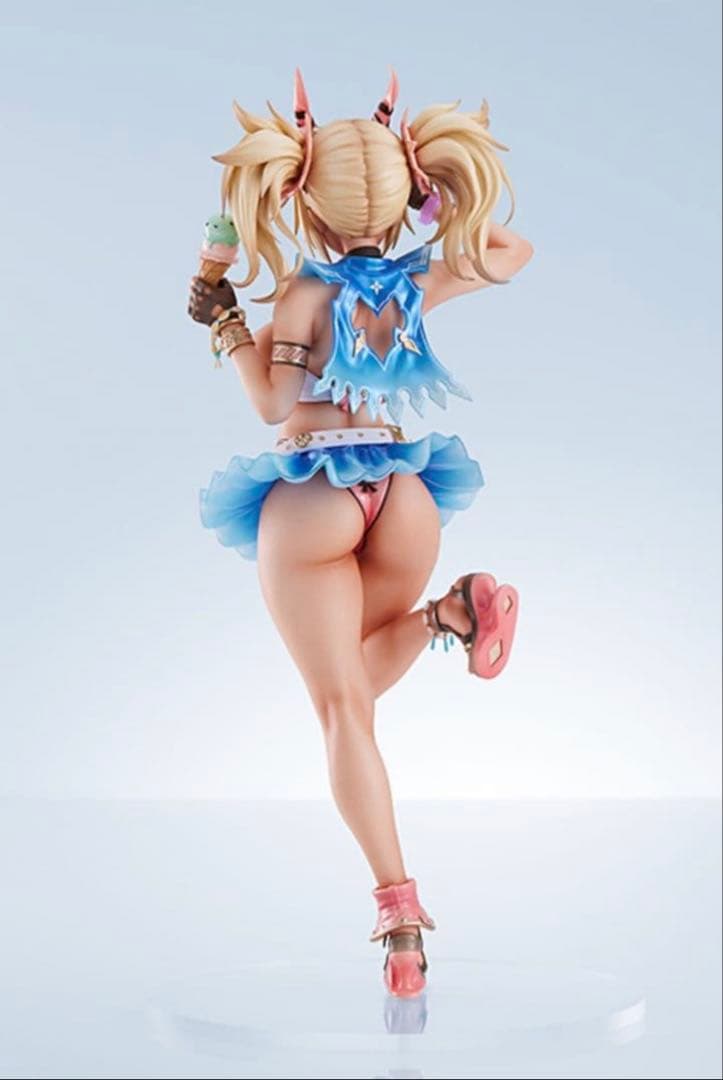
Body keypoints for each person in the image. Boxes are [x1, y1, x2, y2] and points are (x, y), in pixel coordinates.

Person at [188, 70, 534, 998]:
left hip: (314, 496)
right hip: (403, 494)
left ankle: (398, 913)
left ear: (305, 199)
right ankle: (447, 615)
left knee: (341, 708)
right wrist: (437, 196)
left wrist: (223, 317)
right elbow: (512, 249)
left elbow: (272, 404)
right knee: (358, 685)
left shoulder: (303, 295)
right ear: (399, 195)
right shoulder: (418, 277)